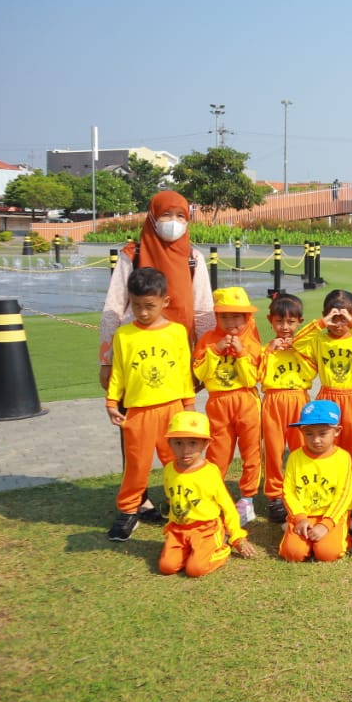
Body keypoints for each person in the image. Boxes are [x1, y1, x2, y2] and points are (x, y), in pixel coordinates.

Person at [99, 190, 213, 525]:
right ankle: (137, 500)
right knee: (134, 439)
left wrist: (203, 361)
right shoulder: (131, 255)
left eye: (180, 217)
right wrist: (106, 360)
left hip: (177, 361)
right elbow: (112, 308)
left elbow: (204, 310)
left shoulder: (192, 257)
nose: (173, 224)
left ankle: (177, 494)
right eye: (166, 215)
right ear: (151, 216)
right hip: (134, 356)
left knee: (175, 435)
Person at [105, 268, 197, 542]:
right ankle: (129, 510)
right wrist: (112, 402)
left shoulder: (177, 332)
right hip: (139, 411)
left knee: (177, 459)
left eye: (149, 306)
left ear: (164, 302)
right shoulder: (124, 335)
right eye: (136, 306)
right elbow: (119, 371)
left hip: (172, 409)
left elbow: (183, 370)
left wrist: (189, 404)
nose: (143, 313)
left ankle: (179, 502)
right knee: (137, 464)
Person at [292, 289, 352, 509]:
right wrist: (322, 323)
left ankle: (351, 498)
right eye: (334, 317)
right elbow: (296, 342)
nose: (338, 322)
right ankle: (330, 491)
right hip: (328, 395)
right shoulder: (320, 339)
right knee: (326, 445)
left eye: (344, 317)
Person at [191, 287, 263, 527]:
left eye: (236, 316)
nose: (231, 321)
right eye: (224, 316)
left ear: (247, 318)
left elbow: (252, 379)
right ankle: (215, 494)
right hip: (218, 403)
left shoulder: (252, 342)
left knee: (251, 451)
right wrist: (216, 350)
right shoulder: (208, 340)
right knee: (217, 453)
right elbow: (200, 373)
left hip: (246, 401)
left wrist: (241, 354)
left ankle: (247, 499)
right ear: (217, 317)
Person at [159, 411, 257, 577]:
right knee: (167, 567)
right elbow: (173, 500)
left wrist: (237, 537)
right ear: (169, 443)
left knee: (195, 569)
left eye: (192, 443)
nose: (185, 450)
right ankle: (189, 551)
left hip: (205, 529)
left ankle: (222, 547)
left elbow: (227, 506)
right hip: (179, 529)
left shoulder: (209, 472)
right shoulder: (169, 470)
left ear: (205, 444)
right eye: (178, 443)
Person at [260, 293, 315, 526]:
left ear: (299, 322)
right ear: (270, 320)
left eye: (290, 322)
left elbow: (312, 371)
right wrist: (269, 351)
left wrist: (298, 350)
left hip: (298, 399)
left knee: (301, 447)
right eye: (279, 322)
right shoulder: (267, 349)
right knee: (272, 449)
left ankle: (300, 489)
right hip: (273, 400)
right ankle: (275, 497)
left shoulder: (303, 347)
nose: (285, 327)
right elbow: (257, 374)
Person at [279, 400, 352, 563]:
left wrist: (326, 524)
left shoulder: (343, 458)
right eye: (309, 434)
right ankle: (294, 531)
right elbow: (288, 492)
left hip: (331, 515)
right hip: (305, 515)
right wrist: (300, 519)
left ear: (337, 431)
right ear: (301, 431)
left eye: (322, 433)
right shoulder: (295, 457)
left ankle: (346, 532)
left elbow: (344, 495)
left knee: (327, 553)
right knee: (293, 554)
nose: (316, 440)